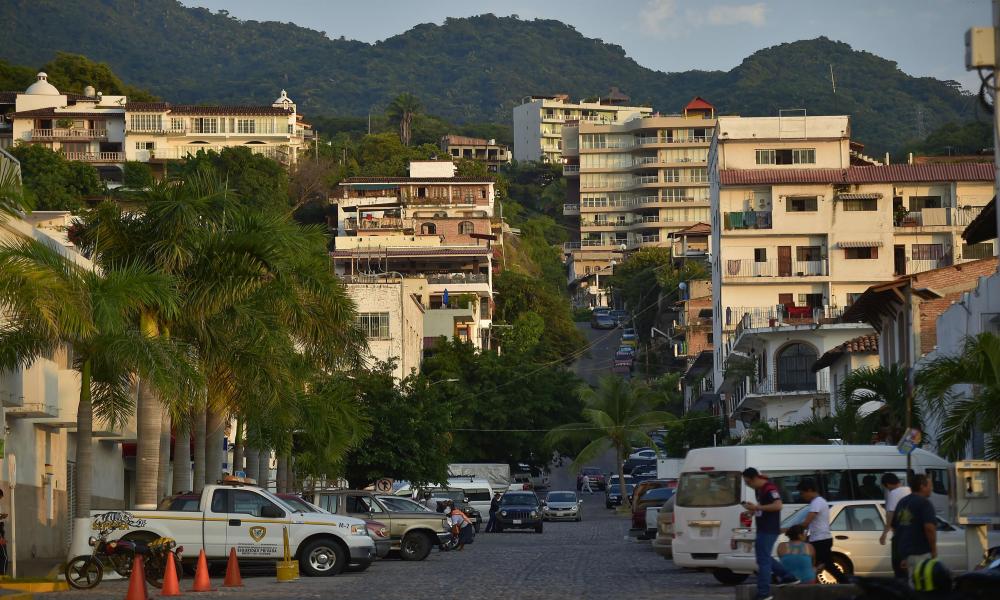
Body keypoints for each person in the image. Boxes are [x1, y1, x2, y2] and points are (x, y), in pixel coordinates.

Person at [742, 468, 798, 600]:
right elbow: (765, 508)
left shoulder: (769, 488)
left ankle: (764, 593)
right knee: (764, 558)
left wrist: (756, 507)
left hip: (768, 529)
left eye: (748, 482)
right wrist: (752, 511)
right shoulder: (761, 490)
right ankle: (788, 577)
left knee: (763, 561)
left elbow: (778, 505)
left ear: (755, 478)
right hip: (764, 528)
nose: (747, 485)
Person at [892, 474, 937, 584]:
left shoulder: (902, 502)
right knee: (922, 585)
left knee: (912, 583)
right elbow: (929, 528)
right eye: (930, 485)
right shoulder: (924, 503)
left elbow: (896, 527)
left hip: (906, 554)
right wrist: (934, 550)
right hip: (920, 552)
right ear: (922, 486)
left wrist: (903, 556)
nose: (932, 488)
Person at [796, 479, 842, 582]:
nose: (802, 496)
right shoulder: (818, 502)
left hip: (820, 539)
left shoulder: (817, 502)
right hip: (820, 538)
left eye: (802, 493)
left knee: (827, 565)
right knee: (821, 564)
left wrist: (792, 529)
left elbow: (807, 522)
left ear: (809, 490)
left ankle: (847, 583)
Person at [880, 472, 911, 579]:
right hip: (912, 533)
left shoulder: (893, 493)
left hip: (900, 534)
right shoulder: (909, 490)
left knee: (898, 564)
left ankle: (901, 588)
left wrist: (884, 533)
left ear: (887, 485)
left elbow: (890, 513)